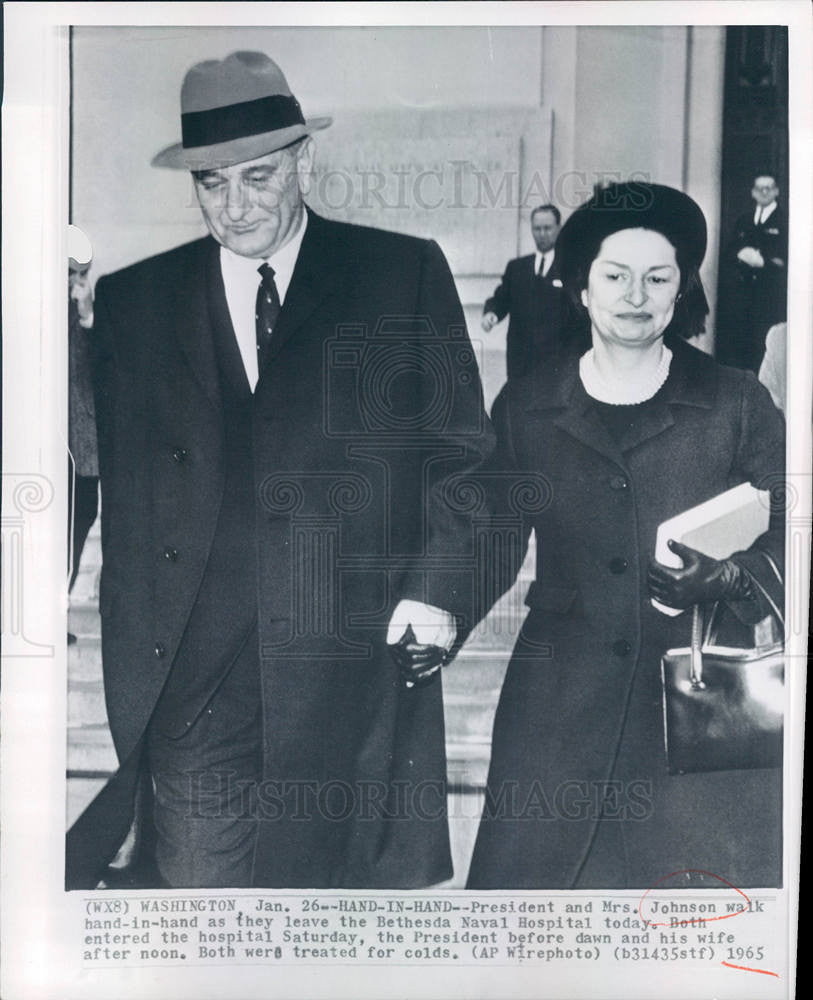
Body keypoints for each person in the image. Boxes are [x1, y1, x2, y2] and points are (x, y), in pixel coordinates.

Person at [66, 51, 491, 890]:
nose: (237, 205)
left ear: (305, 161)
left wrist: (438, 590)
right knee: (200, 913)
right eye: (213, 184)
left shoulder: (395, 275)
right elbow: (80, 461)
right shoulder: (132, 301)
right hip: (190, 666)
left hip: (352, 659)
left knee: (337, 914)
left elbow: (463, 460)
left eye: (258, 177)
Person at [460, 182, 785, 890]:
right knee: (536, 930)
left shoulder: (735, 403)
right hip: (557, 701)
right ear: (581, 288)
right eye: (614, 276)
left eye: (657, 276)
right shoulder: (527, 404)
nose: (635, 294)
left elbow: (795, 527)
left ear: (679, 290)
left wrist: (735, 580)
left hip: (697, 699)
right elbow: (485, 530)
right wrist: (431, 609)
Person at [481, 204, 571, 381]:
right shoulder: (517, 268)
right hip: (520, 360)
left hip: (557, 362)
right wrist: (491, 313)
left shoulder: (570, 267)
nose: (542, 234)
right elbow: (501, 298)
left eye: (547, 228)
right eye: (537, 228)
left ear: (559, 229)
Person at [716, 173, 787, 373]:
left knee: (764, 347)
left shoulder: (785, 221)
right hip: (743, 295)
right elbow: (729, 252)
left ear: (776, 192)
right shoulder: (744, 220)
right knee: (742, 346)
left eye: (769, 187)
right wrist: (741, 255)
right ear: (753, 193)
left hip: (769, 296)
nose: (764, 192)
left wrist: (764, 262)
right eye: (760, 188)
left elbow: (788, 259)